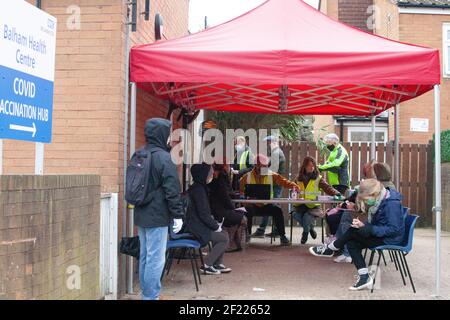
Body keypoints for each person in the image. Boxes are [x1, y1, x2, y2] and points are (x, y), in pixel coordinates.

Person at [309, 179, 406, 291]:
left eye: (366, 199)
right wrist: (363, 225)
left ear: (374, 194)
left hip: (390, 239)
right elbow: (381, 223)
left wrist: (369, 228)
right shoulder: (382, 199)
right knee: (352, 240)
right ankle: (364, 277)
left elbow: (393, 229)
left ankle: (331, 248)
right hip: (383, 234)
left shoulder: (391, 204)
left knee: (353, 232)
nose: (366, 202)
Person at [134, 118, 185, 300]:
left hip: (140, 214)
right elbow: (172, 190)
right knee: (156, 258)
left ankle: (147, 293)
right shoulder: (164, 158)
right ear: (162, 134)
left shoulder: (139, 154)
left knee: (145, 256)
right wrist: (178, 215)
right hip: (157, 216)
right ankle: (151, 296)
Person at [239, 154, 298, 246]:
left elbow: (284, 182)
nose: (266, 168)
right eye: (264, 166)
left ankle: (282, 236)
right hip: (252, 206)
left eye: (266, 166)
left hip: (267, 205)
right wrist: (243, 198)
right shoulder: (246, 177)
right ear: (257, 166)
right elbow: (241, 191)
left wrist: (294, 186)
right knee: (247, 212)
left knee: (277, 210)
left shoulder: (272, 175)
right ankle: (247, 235)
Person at [185, 163, 232, 275]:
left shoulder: (199, 188)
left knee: (224, 234)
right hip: (196, 228)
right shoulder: (198, 191)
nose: (211, 175)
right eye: (209, 173)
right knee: (223, 238)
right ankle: (207, 265)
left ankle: (217, 263)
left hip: (198, 224)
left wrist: (216, 225)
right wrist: (215, 226)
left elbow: (204, 213)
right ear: (203, 175)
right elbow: (203, 214)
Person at [327, 160, 377, 263]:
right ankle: (341, 248)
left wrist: (355, 206)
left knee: (347, 219)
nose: (366, 173)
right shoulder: (368, 183)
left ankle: (342, 249)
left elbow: (370, 204)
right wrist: (349, 204)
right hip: (364, 213)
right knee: (343, 215)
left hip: (370, 218)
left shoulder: (375, 185)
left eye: (368, 170)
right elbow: (357, 198)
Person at [293, 156, 340, 244]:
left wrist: (337, 193)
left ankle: (305, 233)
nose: (312, 167)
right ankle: (310, 228)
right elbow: (293, 190)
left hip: (313, 207)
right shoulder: (297, 179)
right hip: (300, 206)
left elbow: (328, 188)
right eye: (310, 165)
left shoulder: (318, 178)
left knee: (306, 217)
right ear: (304, 166)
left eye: (313, 166)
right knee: (295, 215)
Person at [208, 162, 248, 252]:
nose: (230, 167)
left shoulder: (215, 179)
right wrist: (233, 208)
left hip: (217, 210)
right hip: (220, 212)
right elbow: (225, 197)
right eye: (228, 165)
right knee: (242, 218)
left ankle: (233, 244)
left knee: (240, 216)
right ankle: (230, 244)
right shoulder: (221, 179)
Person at [254, 135, 287, 238]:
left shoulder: (276, 153)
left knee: (271, 206)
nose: (268, 145)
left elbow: (272, 170)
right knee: (271, 206)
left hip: (275, 185)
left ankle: (266, 230)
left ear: (273, 142)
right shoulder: (275, 153)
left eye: (269, 143)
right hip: (275, 184)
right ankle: (268, 230)